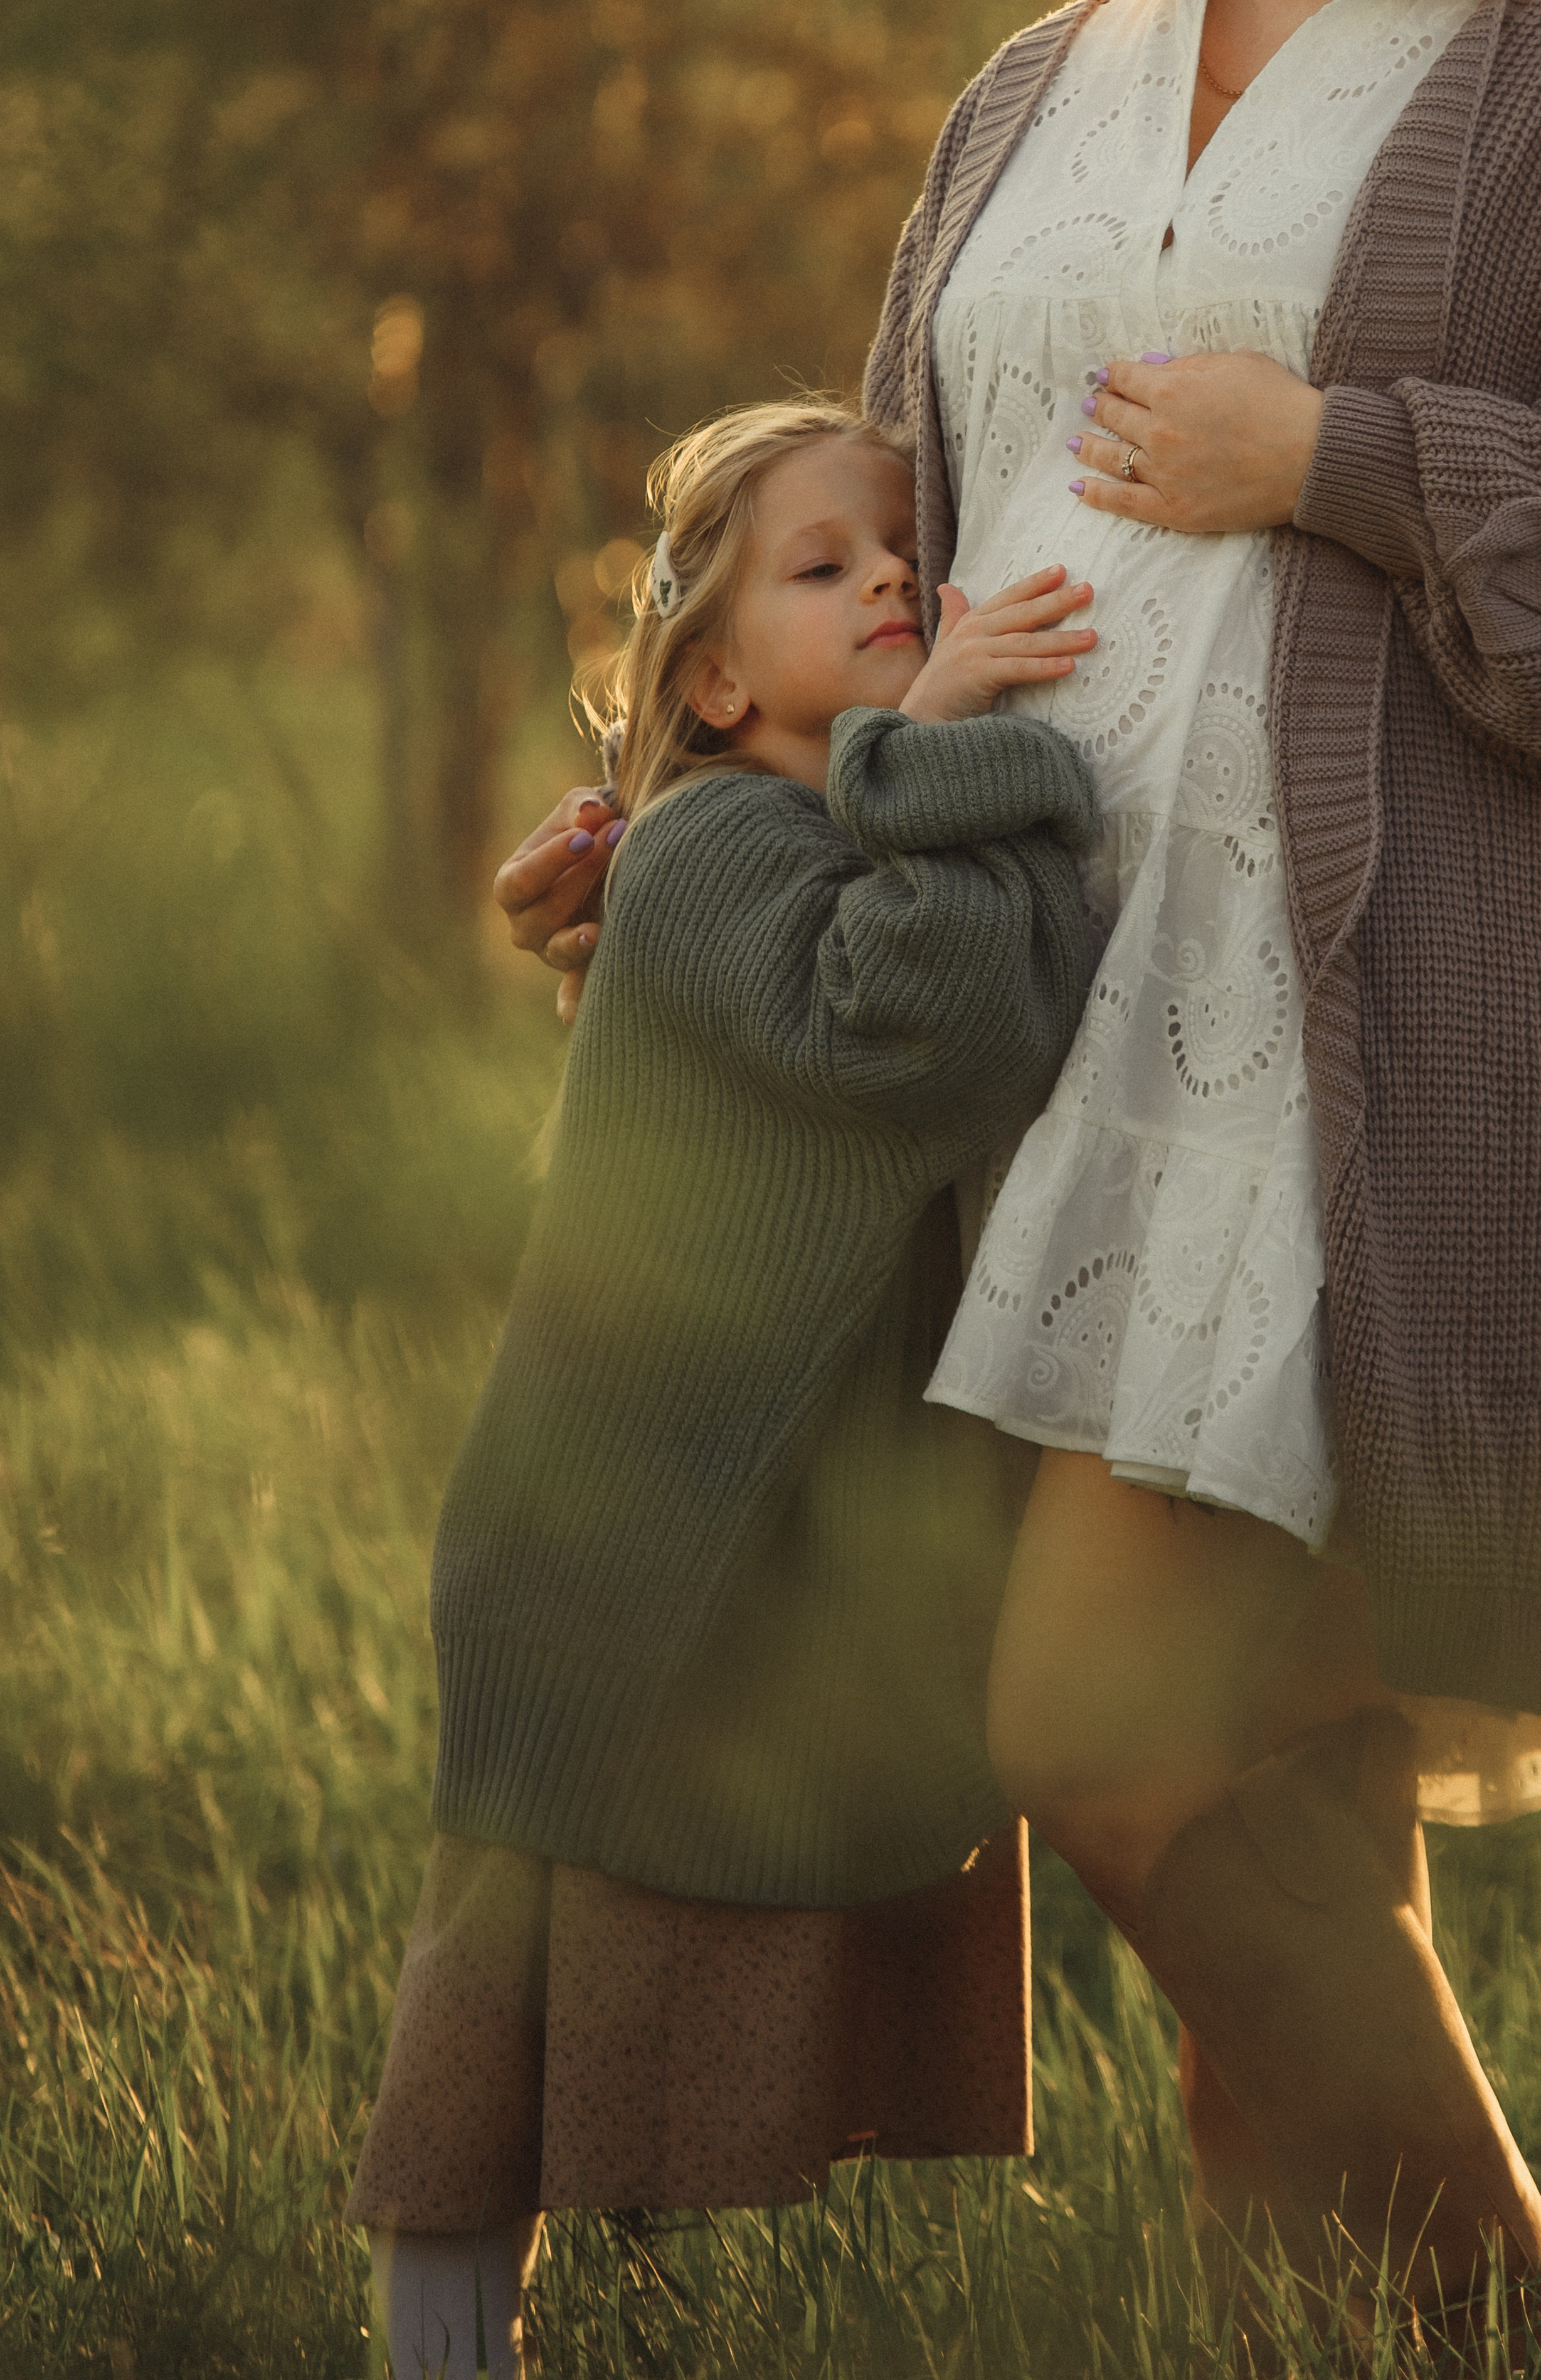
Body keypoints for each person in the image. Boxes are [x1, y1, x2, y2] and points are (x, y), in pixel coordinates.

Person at [501, 0, 1541, 2325]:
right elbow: (887, 575)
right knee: (1286, 1803)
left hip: (1347, 1060)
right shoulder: (1026, 93)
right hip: (1049, 1048)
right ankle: (1340, 2344)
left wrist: (1342, 462)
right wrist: (697, 842)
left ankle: (1499, 2318)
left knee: (1098, 1729)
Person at [346, 398, 1101, 2379]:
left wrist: (916, 766)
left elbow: (1018, 985)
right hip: (620, 1561)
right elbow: (919, 1032)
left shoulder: (823, 827)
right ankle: (432, 2350)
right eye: (822, 565)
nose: (886, 586)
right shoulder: (700, 856)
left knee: (604, 1946)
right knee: (494, 2010)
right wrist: (934, 744)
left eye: (900, 555)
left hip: (765, 1562)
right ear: (705, 671)